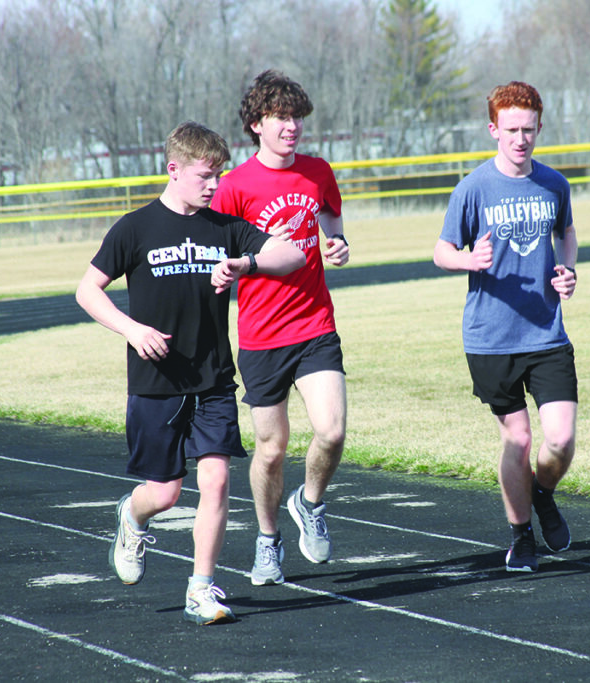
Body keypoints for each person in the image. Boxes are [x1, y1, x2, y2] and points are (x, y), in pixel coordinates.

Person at [75, 121, 304, 624]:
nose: (213, 185)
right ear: (173, 169)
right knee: (165, 492)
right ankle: (131, 517)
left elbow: (292, 254)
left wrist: (245, 263)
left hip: (214, 378)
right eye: (205, 176)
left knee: (218, 480)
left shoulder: (222, 228)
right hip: (157, 382)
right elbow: (87, 291)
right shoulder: (134, 229)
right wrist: (132, 330)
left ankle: (201, 588)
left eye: (218, 176)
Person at [433, 81, 579, 573]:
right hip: (491, 339)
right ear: (493, 129)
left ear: (540, 129)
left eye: (530, 130)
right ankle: (521, 536)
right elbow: (440, 251)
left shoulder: (554, 184)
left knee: (558, 440)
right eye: (512, 129)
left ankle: (543, 492)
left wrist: (568, 270)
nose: (521, 139)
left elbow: (567, 232)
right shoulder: (473, 188)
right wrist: (468, 259)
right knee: (517, 440)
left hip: (547, 333)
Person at [212, 69, 350, 586]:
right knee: (271, 449)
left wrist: (337, 246)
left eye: (296, 117)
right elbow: (218, 258)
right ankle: (267, 542)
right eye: (280, 117)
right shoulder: (234, 187)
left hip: (315, 324)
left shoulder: (318, 172)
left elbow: (332, 229)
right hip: (262, 335)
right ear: (256, 124)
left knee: (331, 431)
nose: (291, 126)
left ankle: (309, 503)